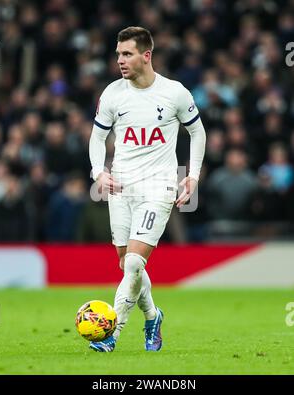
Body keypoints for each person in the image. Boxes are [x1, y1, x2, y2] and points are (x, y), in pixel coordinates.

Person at [89, 26, 206, 352]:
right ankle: (153, 317)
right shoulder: (113, 93)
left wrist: (192, 175)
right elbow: (97, 137)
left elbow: (198, 133)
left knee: (134, 265)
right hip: (121, 186)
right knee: (126, 263)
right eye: (118, 54)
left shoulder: (175, 93)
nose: (120, 61)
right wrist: (99, 171)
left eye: (126, 54)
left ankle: (111, 330)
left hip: (159, 186)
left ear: (146, 55)